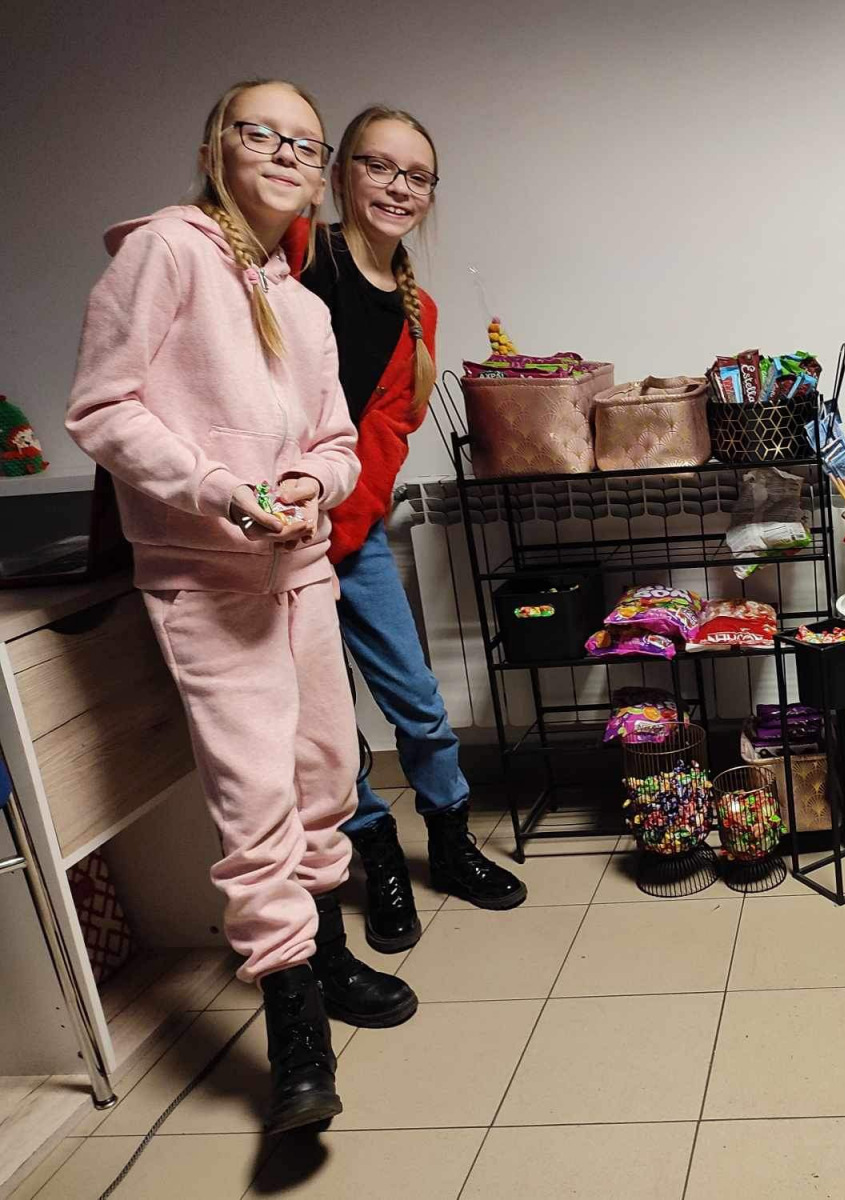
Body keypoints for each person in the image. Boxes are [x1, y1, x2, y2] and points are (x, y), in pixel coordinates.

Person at [65, 79, 418, 1134]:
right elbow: (101, 407)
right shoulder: (163, 253)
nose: (285, 154)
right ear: (217, 145)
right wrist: (221, 490)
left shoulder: (302, 304)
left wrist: (311, 482)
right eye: (261, 133)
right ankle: (295, 1032)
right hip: (204, 579)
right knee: (254, 799)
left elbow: (336, 441)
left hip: (299, 572)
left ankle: (331, 957)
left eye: (305, 144)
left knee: (326, 775)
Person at [290, 104, 526, 955]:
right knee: (325, 726)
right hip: (272, 544)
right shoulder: (298, 256)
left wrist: (338, 533)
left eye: (417, 175)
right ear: (340, 173)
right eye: (379, 166)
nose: (398, 186)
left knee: (419, 704)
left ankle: (451, 844)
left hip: (349, 538)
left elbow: (387, 435)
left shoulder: (417, 307)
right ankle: (376, 853)